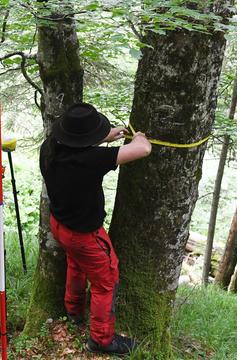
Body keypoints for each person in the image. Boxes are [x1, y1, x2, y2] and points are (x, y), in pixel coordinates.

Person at [39, 103, 151, 355]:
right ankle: (101, 340)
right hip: (85, 235)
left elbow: (78, 148)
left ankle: (74, 310)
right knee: (106, 281)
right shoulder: (92, 160)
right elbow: (142, 148)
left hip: (60, 225)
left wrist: (105, 135)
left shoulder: (50, 147)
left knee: (76, 265)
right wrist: (141, 136)